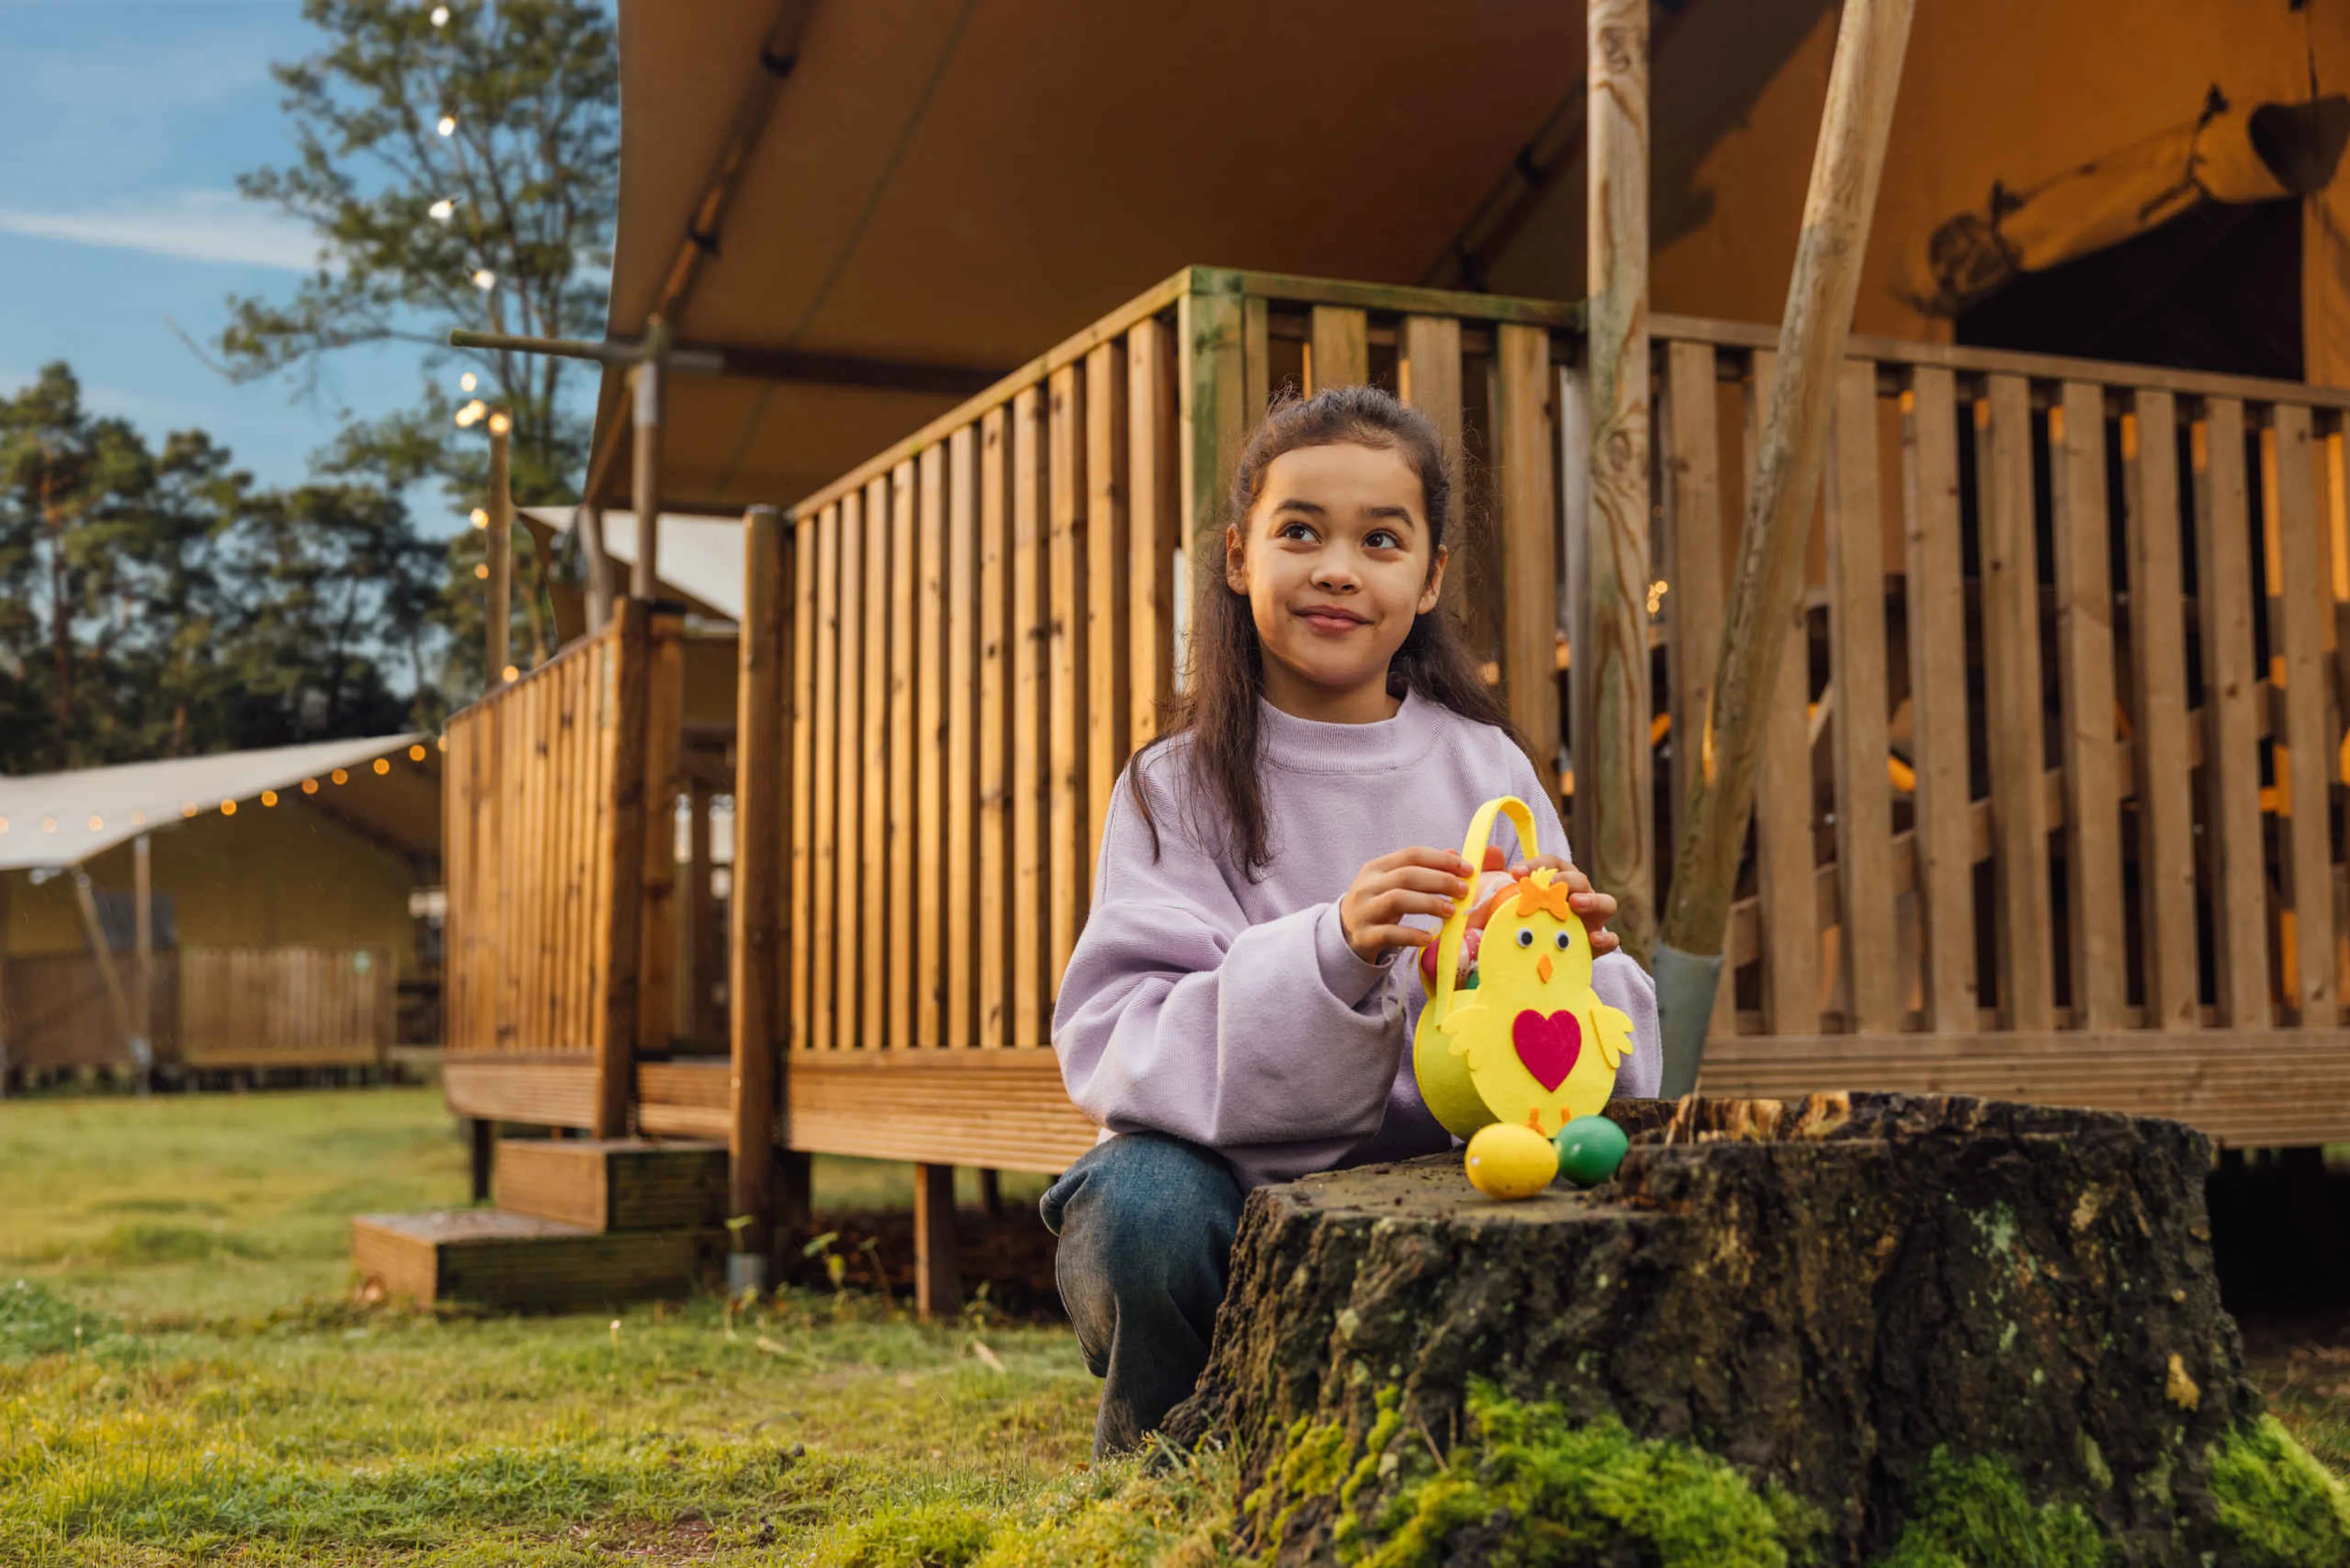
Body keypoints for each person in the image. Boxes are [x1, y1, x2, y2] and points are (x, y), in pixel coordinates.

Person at [1042, 385, 1660, 1457]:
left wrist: (1571, 964)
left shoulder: (1486, 769)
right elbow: (1117, 1034)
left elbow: (1585, 1051)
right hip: (1228, 1186)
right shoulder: (1174, 783)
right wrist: (1332, 947)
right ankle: (1162, 1458)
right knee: (1140, 1211)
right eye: (1300, 532)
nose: (1337, 567)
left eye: (1381, 539)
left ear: (1428, 579)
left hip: (1454, 1167)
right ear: (1239, 559)